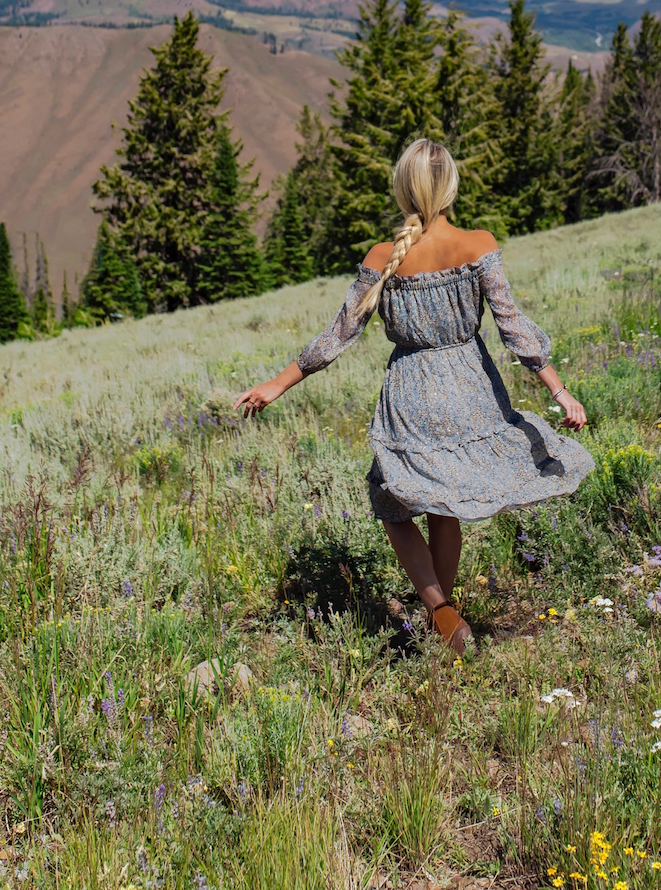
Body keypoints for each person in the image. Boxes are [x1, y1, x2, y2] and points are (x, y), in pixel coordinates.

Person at [234, 137, 594, 655]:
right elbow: (514, 330)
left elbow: (338, 335)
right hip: (471, 386)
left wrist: (277, 383)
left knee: (392, 501)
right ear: (450, 187)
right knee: (444, 507)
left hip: (411, 396)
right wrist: (559, 391)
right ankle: (443, 622)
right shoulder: (478, 244)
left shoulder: (383, 258)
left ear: (403, 188)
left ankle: (441, 614)